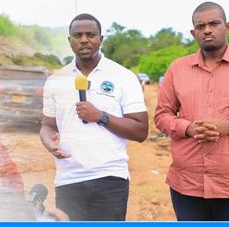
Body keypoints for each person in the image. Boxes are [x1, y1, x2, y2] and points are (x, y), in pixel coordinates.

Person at [39, 13, 148, 221]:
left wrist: (100, 116)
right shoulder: (55, 80)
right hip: (68, 179)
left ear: (101, 39)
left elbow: (141, 131)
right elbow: (47, 126)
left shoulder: (123, 76)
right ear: (69, 40)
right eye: (77, 35)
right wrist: (49, 142)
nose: (84, 40)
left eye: (91, 34)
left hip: (110, 178)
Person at [154, 2, 229, 221]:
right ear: (193, 33)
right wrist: (188, 128)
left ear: (227, 26)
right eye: (200, 26)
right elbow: (161, 116)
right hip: (186, 185)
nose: (207, 29)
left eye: (214, 23)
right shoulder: (177, 69)